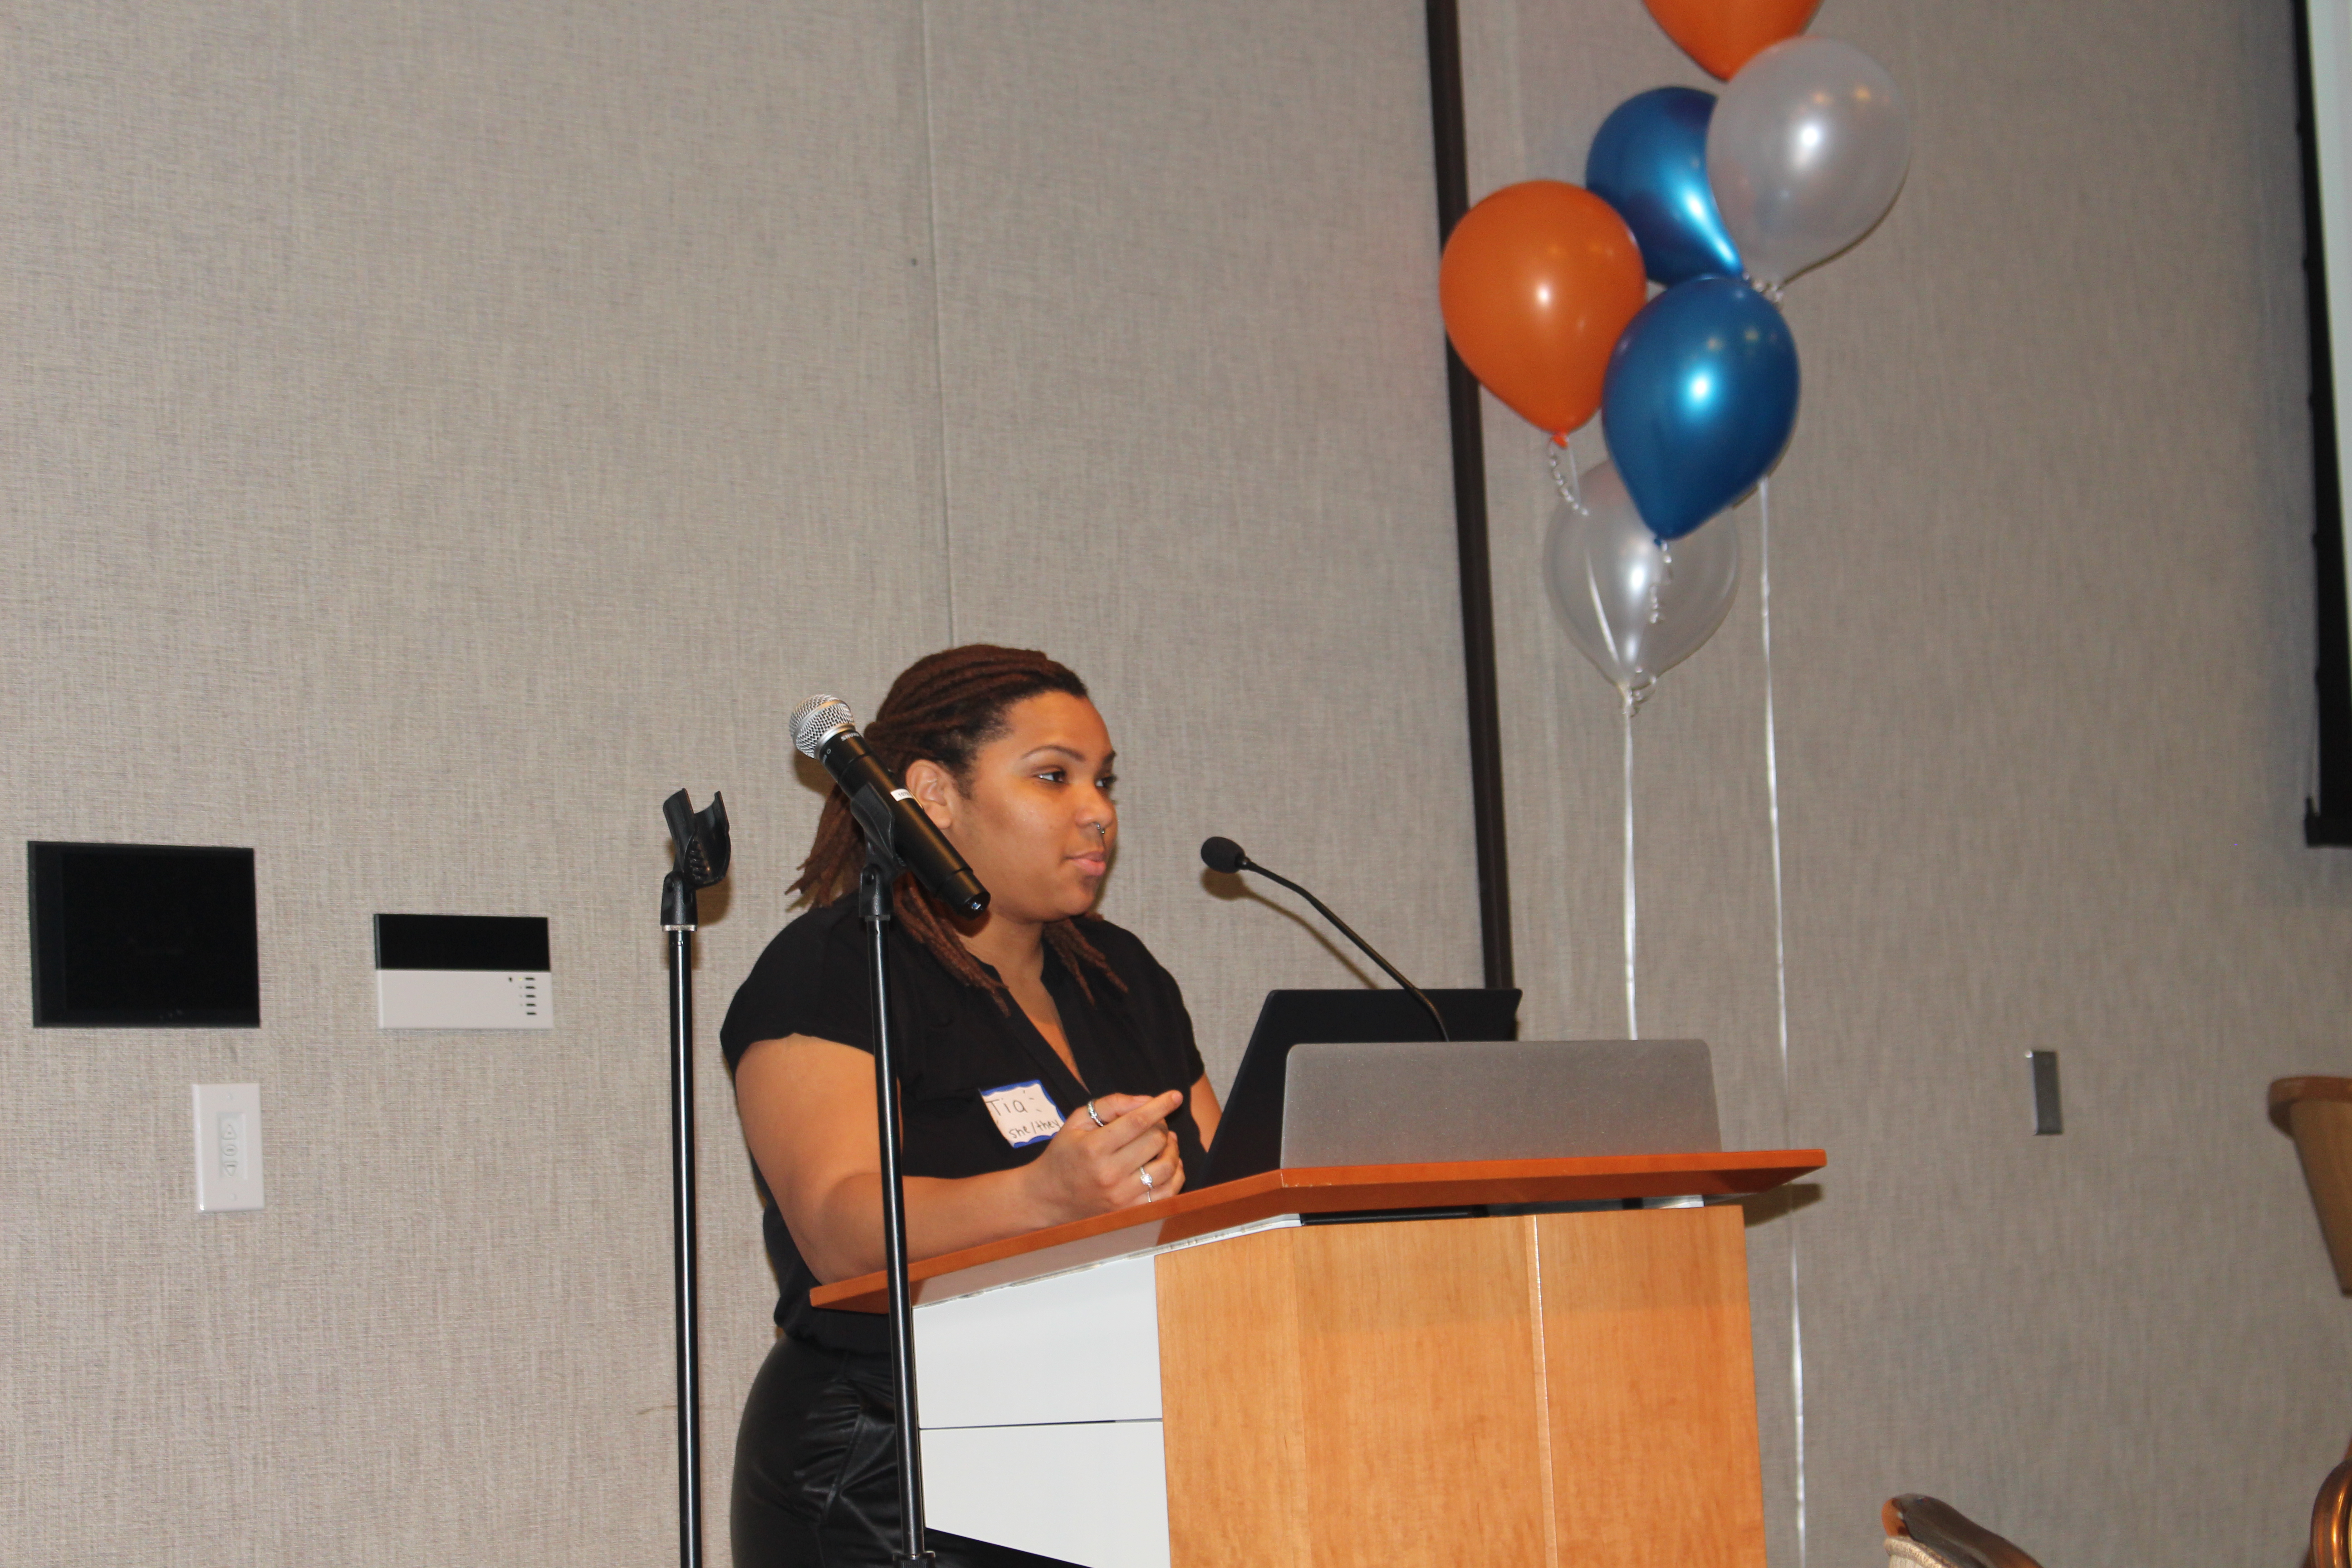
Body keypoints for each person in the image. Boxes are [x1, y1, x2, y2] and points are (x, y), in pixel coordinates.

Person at [720, 645, 1221, 1568]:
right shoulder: (838, 965)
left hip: (1097, 1438)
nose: (1098, 810)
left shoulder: (1125, 978)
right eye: (1053, 776)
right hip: (887, 1459)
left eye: (1103, 781)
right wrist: (1045, 1198)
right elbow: (837, 1228)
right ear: (931, 794)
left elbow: (1228, 1196)